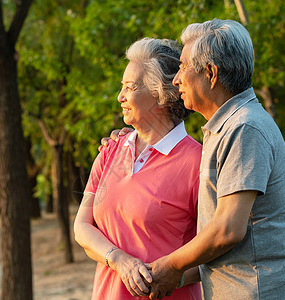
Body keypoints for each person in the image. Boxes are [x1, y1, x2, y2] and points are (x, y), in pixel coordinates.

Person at [103, 19, 285, 300]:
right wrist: (172, 276)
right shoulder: (224, 128)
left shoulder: (244, 128)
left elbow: (227, 230)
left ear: (211, 73)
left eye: (182, 67)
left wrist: (171, 264)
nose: (176, 78)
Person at [73, 37, 203, 300]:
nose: (120, 97)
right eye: (122, 87)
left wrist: (172, 276)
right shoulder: (110, 149)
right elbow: (82, 227)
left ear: (160, 95)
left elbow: (218, 249)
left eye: (130, 88)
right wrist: (119, 260)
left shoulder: (198, 163)